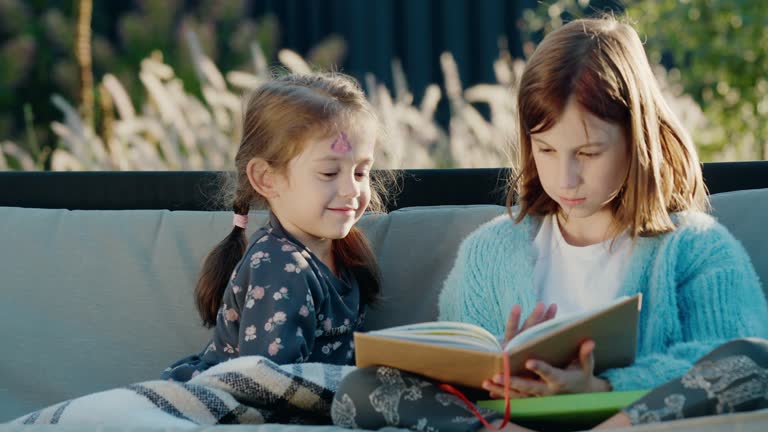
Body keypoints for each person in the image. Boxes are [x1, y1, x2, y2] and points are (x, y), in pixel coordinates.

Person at [331, 17, 768, 431]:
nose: (566, 178)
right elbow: (454, 370)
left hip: (631, 419)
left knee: (758, 360)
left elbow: (729, 356)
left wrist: (602, 385)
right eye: (546, 150)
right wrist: (499, 372)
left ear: (638, 139)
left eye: (589, 153)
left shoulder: (695, 245)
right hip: (512, 421)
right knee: (360, 389)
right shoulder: (490, 251)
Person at [162, 72, 388, 381]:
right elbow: (271, 386)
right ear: (267, 179)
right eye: (328, 173)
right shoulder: (280, 267)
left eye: (361, 172)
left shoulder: (343, 251)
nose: (352, 189)